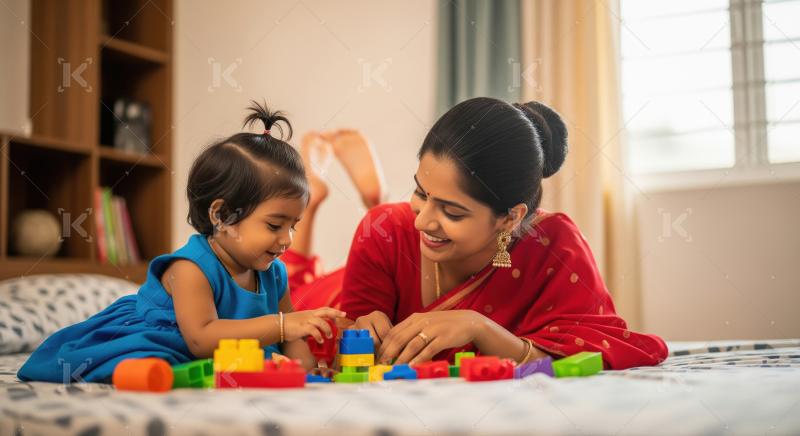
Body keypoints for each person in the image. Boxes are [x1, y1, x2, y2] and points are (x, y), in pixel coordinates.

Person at [288, 97, 668, 370]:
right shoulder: (385, 230)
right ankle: (314, 194)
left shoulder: (554, 246)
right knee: (287, 288)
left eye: (451, 211)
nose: (423, 220)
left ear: (509, 217)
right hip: (339, 282)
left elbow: (597, 351)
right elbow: (343, 360)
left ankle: (337, 194)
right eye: (421, 192)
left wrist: (479, 327)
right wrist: (361, 331)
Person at [17, 101, 345, 383]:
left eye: (294, 225)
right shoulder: (190, 268)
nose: (288, 239)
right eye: (275, 224)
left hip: (226, 349)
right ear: (222, 215)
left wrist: (307, 369)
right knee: (154, 366)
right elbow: (201, 339)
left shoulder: (274, 274)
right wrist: (283, 325)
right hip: (168, 340)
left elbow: (291, 340)